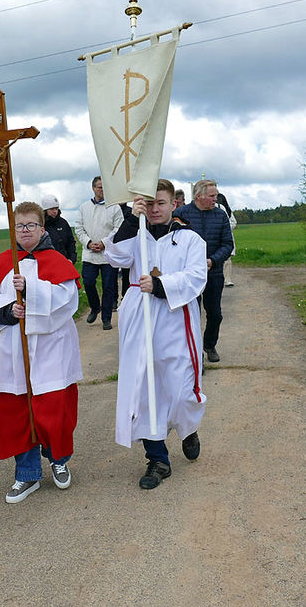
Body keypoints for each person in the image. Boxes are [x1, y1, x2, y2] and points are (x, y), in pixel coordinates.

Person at [0, 202, 82, 504]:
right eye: (20, 226)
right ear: (13, 229)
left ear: (43, 228)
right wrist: (8, 311)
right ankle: (27, 474)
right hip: (12, 350)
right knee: (17, 410)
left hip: (50, 349)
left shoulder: (57, 261)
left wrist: (31, 289)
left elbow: (67, 301)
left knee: (54, 407)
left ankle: (59, 461)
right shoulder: (4, 262)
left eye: (31, 225)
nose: (25, 230)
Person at [104, 179, 208, 489]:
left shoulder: (189, 239)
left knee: (180, 385)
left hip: (175, 316)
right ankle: (157, 458)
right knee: (145, 385)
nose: (154, 209)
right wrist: (127, 217)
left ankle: (187, 427)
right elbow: (115, 256)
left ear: (174, 204)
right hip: (140, 314)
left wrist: (162, 286)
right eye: (148, 204)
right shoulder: (136, 233)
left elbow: (195, 275)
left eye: (160, 203)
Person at [173, 179, 234, 363]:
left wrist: (212, 261)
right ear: (199, 196)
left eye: (216, 195)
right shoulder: (181, 214)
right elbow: (172, 241)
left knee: (215, 314)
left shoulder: (221, 215)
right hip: (188, 275)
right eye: (212, 196)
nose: (216, 199)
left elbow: (227, 244)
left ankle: (209, 345)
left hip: (213, 273)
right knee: (192, 315)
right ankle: (195, 351)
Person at [74, 175, 124, 330]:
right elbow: (79, 228)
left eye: (104, 187)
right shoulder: (84, 207)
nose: (102, 190)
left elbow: (118, 228)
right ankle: (95, 307)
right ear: (93, 188)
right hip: (90, 253)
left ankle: (106, 318)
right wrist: (89, 243)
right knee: (88, 282)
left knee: (109, 286)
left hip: (108, 254)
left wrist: (104, 243)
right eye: (99, 187)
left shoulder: (114, 207)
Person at [41, 193, 77, 264]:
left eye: (56, 208)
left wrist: (71, 259)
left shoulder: (63, 223)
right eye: (52, 209)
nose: (55, 211)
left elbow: (71, 242)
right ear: (45, 210)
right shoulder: (40, 224)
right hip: (47, 263)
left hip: (64, 262)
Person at [215, 191, 238, 287]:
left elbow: (233, 222)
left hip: (225, 236)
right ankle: (222, 279)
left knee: (227, 258)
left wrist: (225, 229)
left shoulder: (226, 210)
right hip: (216, 237)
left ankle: (227, 279)